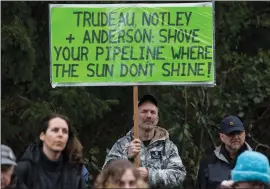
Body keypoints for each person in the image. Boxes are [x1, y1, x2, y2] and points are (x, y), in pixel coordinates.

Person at [103, 94, 186, 188]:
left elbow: (179, 175)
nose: (149, 116)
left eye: (153, 112)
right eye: (144, 111)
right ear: (135, 117)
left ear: (157, 119)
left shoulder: (168, 147)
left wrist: (149, 175)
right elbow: (107, 174)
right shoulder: (122, 144)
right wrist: (127, 158)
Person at [15, 113, 87, 189]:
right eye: (55, 130)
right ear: (42, 136)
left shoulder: (74, 170)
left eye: (65, 131)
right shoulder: (24, 169)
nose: (60, 135)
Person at [196, 115, 253, 189]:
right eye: (231, 133)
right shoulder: (208, 163)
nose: (236, 137)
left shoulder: (256, 161)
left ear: (244, 134)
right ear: (222, 137)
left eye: (239, 133)